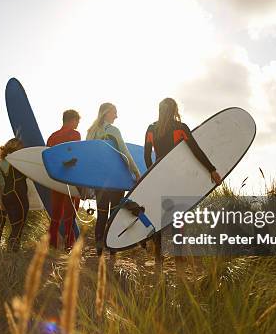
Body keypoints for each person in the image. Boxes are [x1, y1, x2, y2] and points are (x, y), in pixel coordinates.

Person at [143, 97, 222, 266]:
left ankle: (158, 255)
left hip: (158, 176)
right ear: (175, 110)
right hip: (176, 176)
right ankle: (178, 256)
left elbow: (146, 156)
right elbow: (195, 150)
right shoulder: (180, 128)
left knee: (159, 214)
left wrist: (152, 174)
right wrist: (212, 169)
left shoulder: (151, 129)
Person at [87, 102, 140, 257]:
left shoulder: (91, 132)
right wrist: (136, 173)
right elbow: (124, 153)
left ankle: (99, 250)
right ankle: (112, 250)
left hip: (99, 180)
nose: (116, 116)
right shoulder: (113, 131)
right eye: (114, 112)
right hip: (115, 179)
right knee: (114, 214)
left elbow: (89, 157)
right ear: (107, 112)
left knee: (102, 214)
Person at [0, 138, 29, 251]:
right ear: (18, 148)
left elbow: (1, 182)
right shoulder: (18, 162)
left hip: (6, 196)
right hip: (18, 196)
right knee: (17, 227)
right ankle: (12, 253)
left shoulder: (0, 162)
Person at [46, 109, 81, 250]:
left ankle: (52, 245)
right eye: (77, 121)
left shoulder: (52, 137)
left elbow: (48, 158)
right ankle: (69, 245)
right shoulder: (75, 134)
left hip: (55, 179)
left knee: (55, 215)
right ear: (72, 120)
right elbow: (76, 155)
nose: (78, 124)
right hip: (70, 178)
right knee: (69, 216)